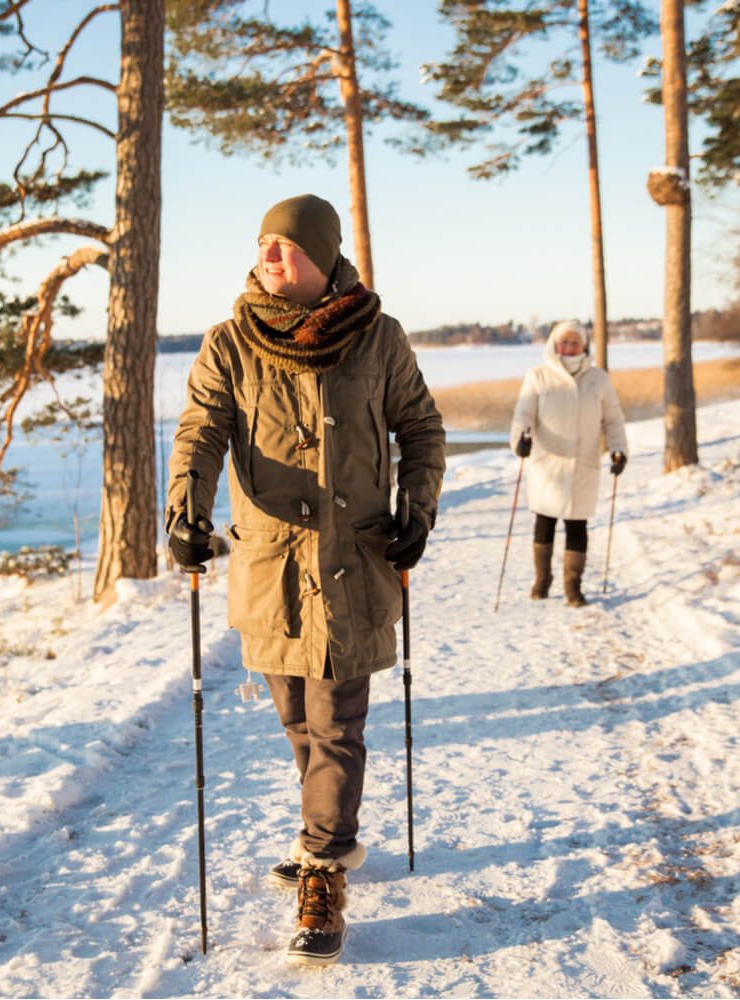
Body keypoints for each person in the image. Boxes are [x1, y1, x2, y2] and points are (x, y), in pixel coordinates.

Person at [166, 193, 446, 967]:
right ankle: (331, 828)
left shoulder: (378, 338)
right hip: (270, 565)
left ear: (321, 257)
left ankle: (324, 867)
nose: (268, 255)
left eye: (284, 246)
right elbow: (200, 431)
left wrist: (416, 509)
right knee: (295, 715)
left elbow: (421, 428)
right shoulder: (231, 342)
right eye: (261, 243)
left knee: (335, 720)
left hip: (354, 564)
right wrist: (184, 512)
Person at [508, 320, 629, 607]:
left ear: (584, 345)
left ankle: (572, 586)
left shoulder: (598, 379)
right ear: (554, 344)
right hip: (546, 464)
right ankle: (542, 579)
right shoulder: (538, 375)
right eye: (565, 342)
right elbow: (523, 414)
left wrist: (618, 449)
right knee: (544, 522)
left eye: (575, 342)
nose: (570, 347)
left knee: (577, 526)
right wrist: (520, 440)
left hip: (583, 463)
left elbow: (613, 419)